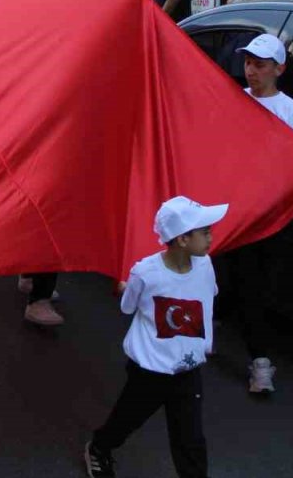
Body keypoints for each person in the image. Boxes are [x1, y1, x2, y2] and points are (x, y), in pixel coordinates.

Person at [84, 196, 227, 478]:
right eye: (205, 232)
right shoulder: (146, 273)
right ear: (183, 239)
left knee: (191, 440)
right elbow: (128, 307)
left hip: (188, 369)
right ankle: (99, 448)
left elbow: (206, 298)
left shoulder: (206, 265)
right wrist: (130, 286)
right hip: (149, 370)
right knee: (126, 420)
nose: (212, 236)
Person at [226, 32, 293, 397]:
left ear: (280, 69)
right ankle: (214, 343)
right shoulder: (232, 101)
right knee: (219, 274)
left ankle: (259, 361)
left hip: (270, 216)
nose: (251, 71)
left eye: (260, 65)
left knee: (255, 287)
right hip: (231, 207)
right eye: (248, 63)